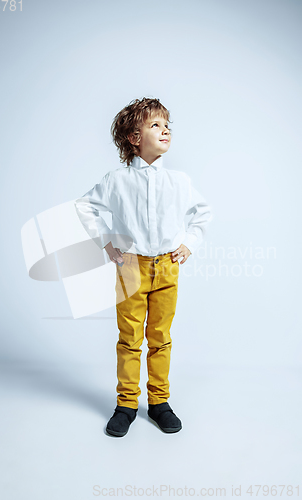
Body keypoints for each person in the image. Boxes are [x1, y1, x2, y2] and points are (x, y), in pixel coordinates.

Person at [74, 97, 213, 437]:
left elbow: (203, 212)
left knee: (160, 338)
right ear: (134, 138)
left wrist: (189, 244)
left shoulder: (179, 181)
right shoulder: (116, 180)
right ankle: (126, 404)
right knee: (129, 338)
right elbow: (84, 206)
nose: (165, 129)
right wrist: (106, 241)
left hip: (167, 267)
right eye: (155, 125)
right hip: (131, 268)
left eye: (167, 125)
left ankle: (160, 402)